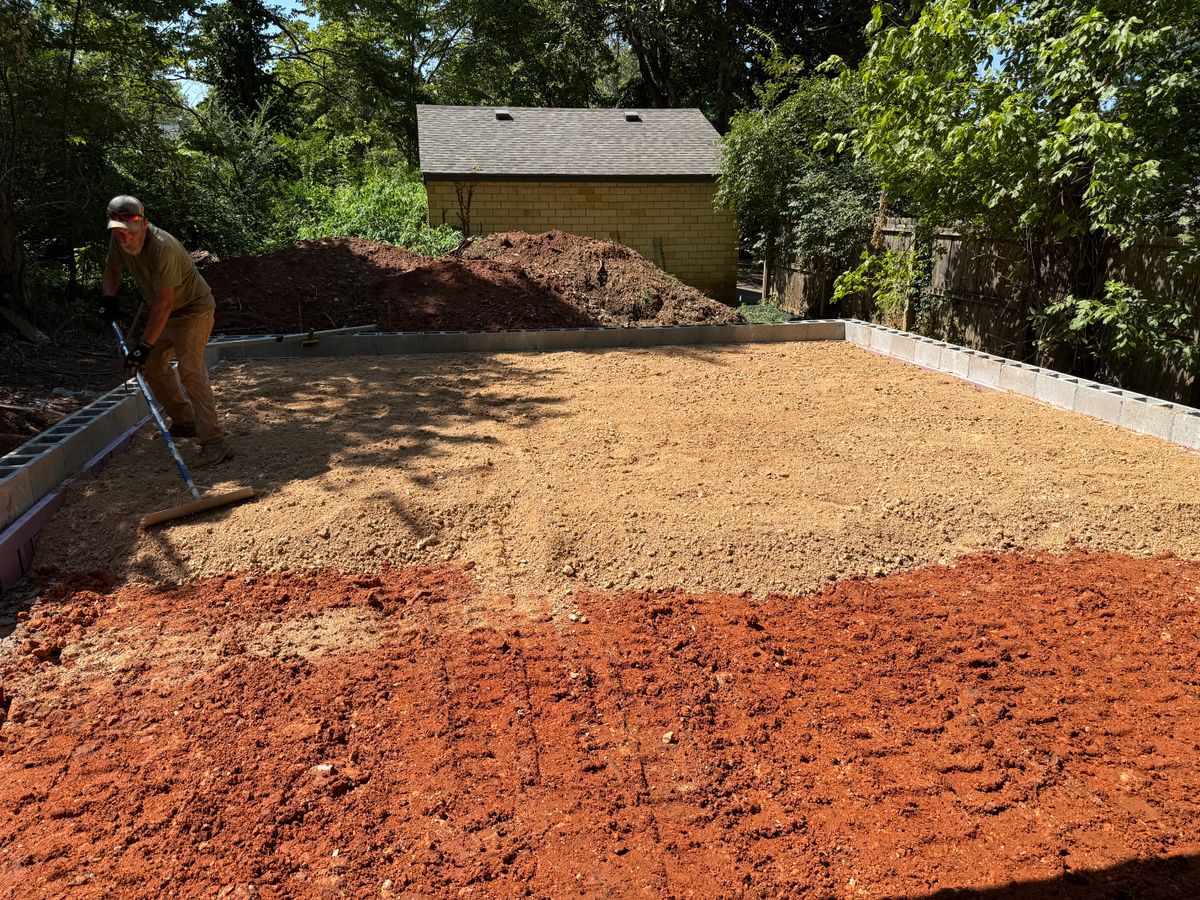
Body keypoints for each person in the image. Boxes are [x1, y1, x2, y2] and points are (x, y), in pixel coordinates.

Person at [100, 195, 230, 467]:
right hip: (166, 313)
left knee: (190, 371)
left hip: (193, 310)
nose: (126, 239)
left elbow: (163, 304)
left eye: (131, 233)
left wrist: (143, 346)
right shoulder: (118, 237)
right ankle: (185, 421)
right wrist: (109, 298)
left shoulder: (162, 247)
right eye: (120, 234)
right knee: (152, 367)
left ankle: (214, 442)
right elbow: (112, 268)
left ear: (144, 224)